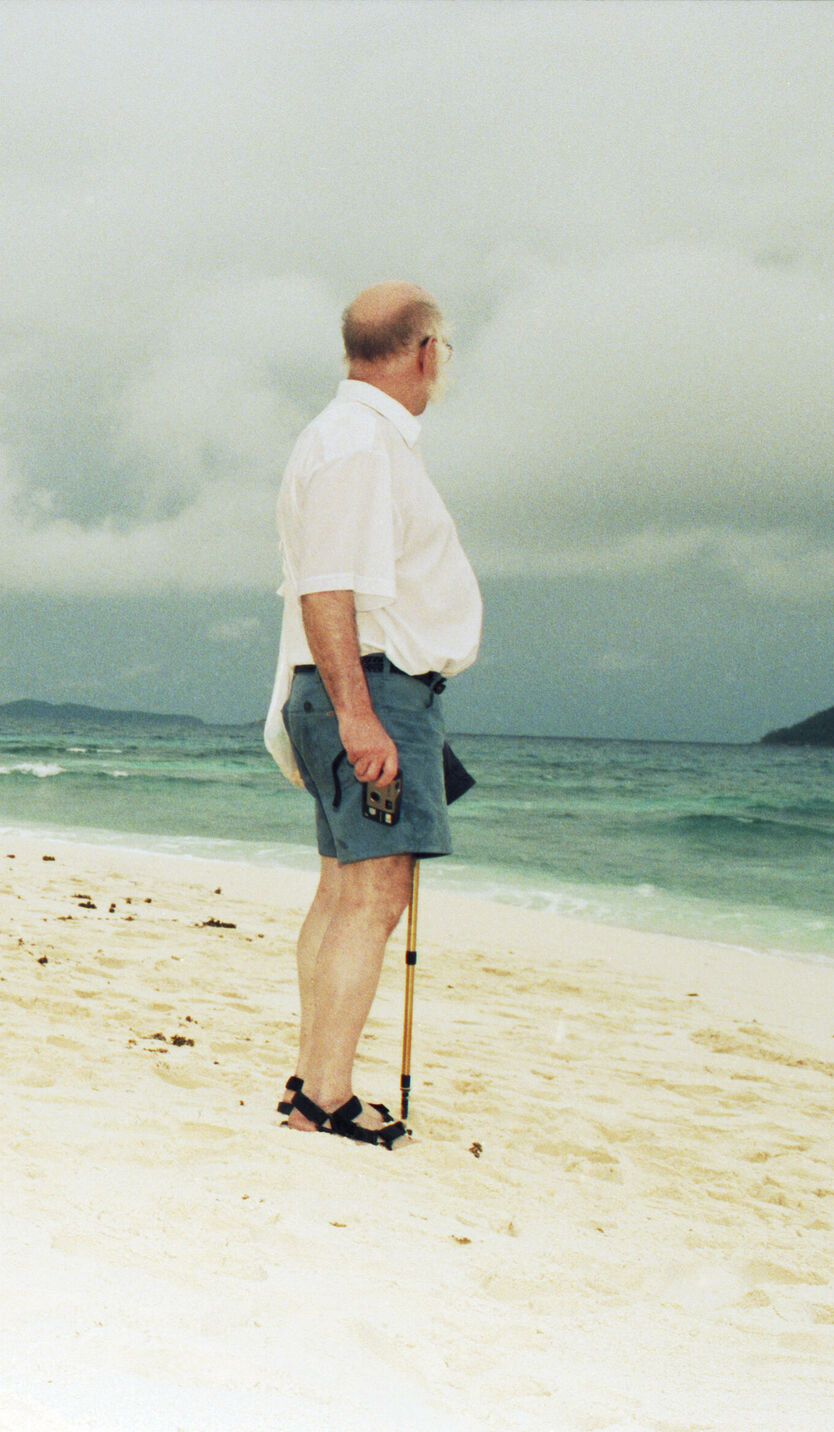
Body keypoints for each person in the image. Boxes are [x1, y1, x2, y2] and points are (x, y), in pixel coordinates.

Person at [262, 281, 481, 1148]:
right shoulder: (359, 444)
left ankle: (314, 1077)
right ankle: (325, 1093)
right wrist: (360, 716)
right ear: (425, 350)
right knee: (373, 893)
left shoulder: (348, 437)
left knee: (343, 888)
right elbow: (327, 587)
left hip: (359, 685)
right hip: (372, 686)